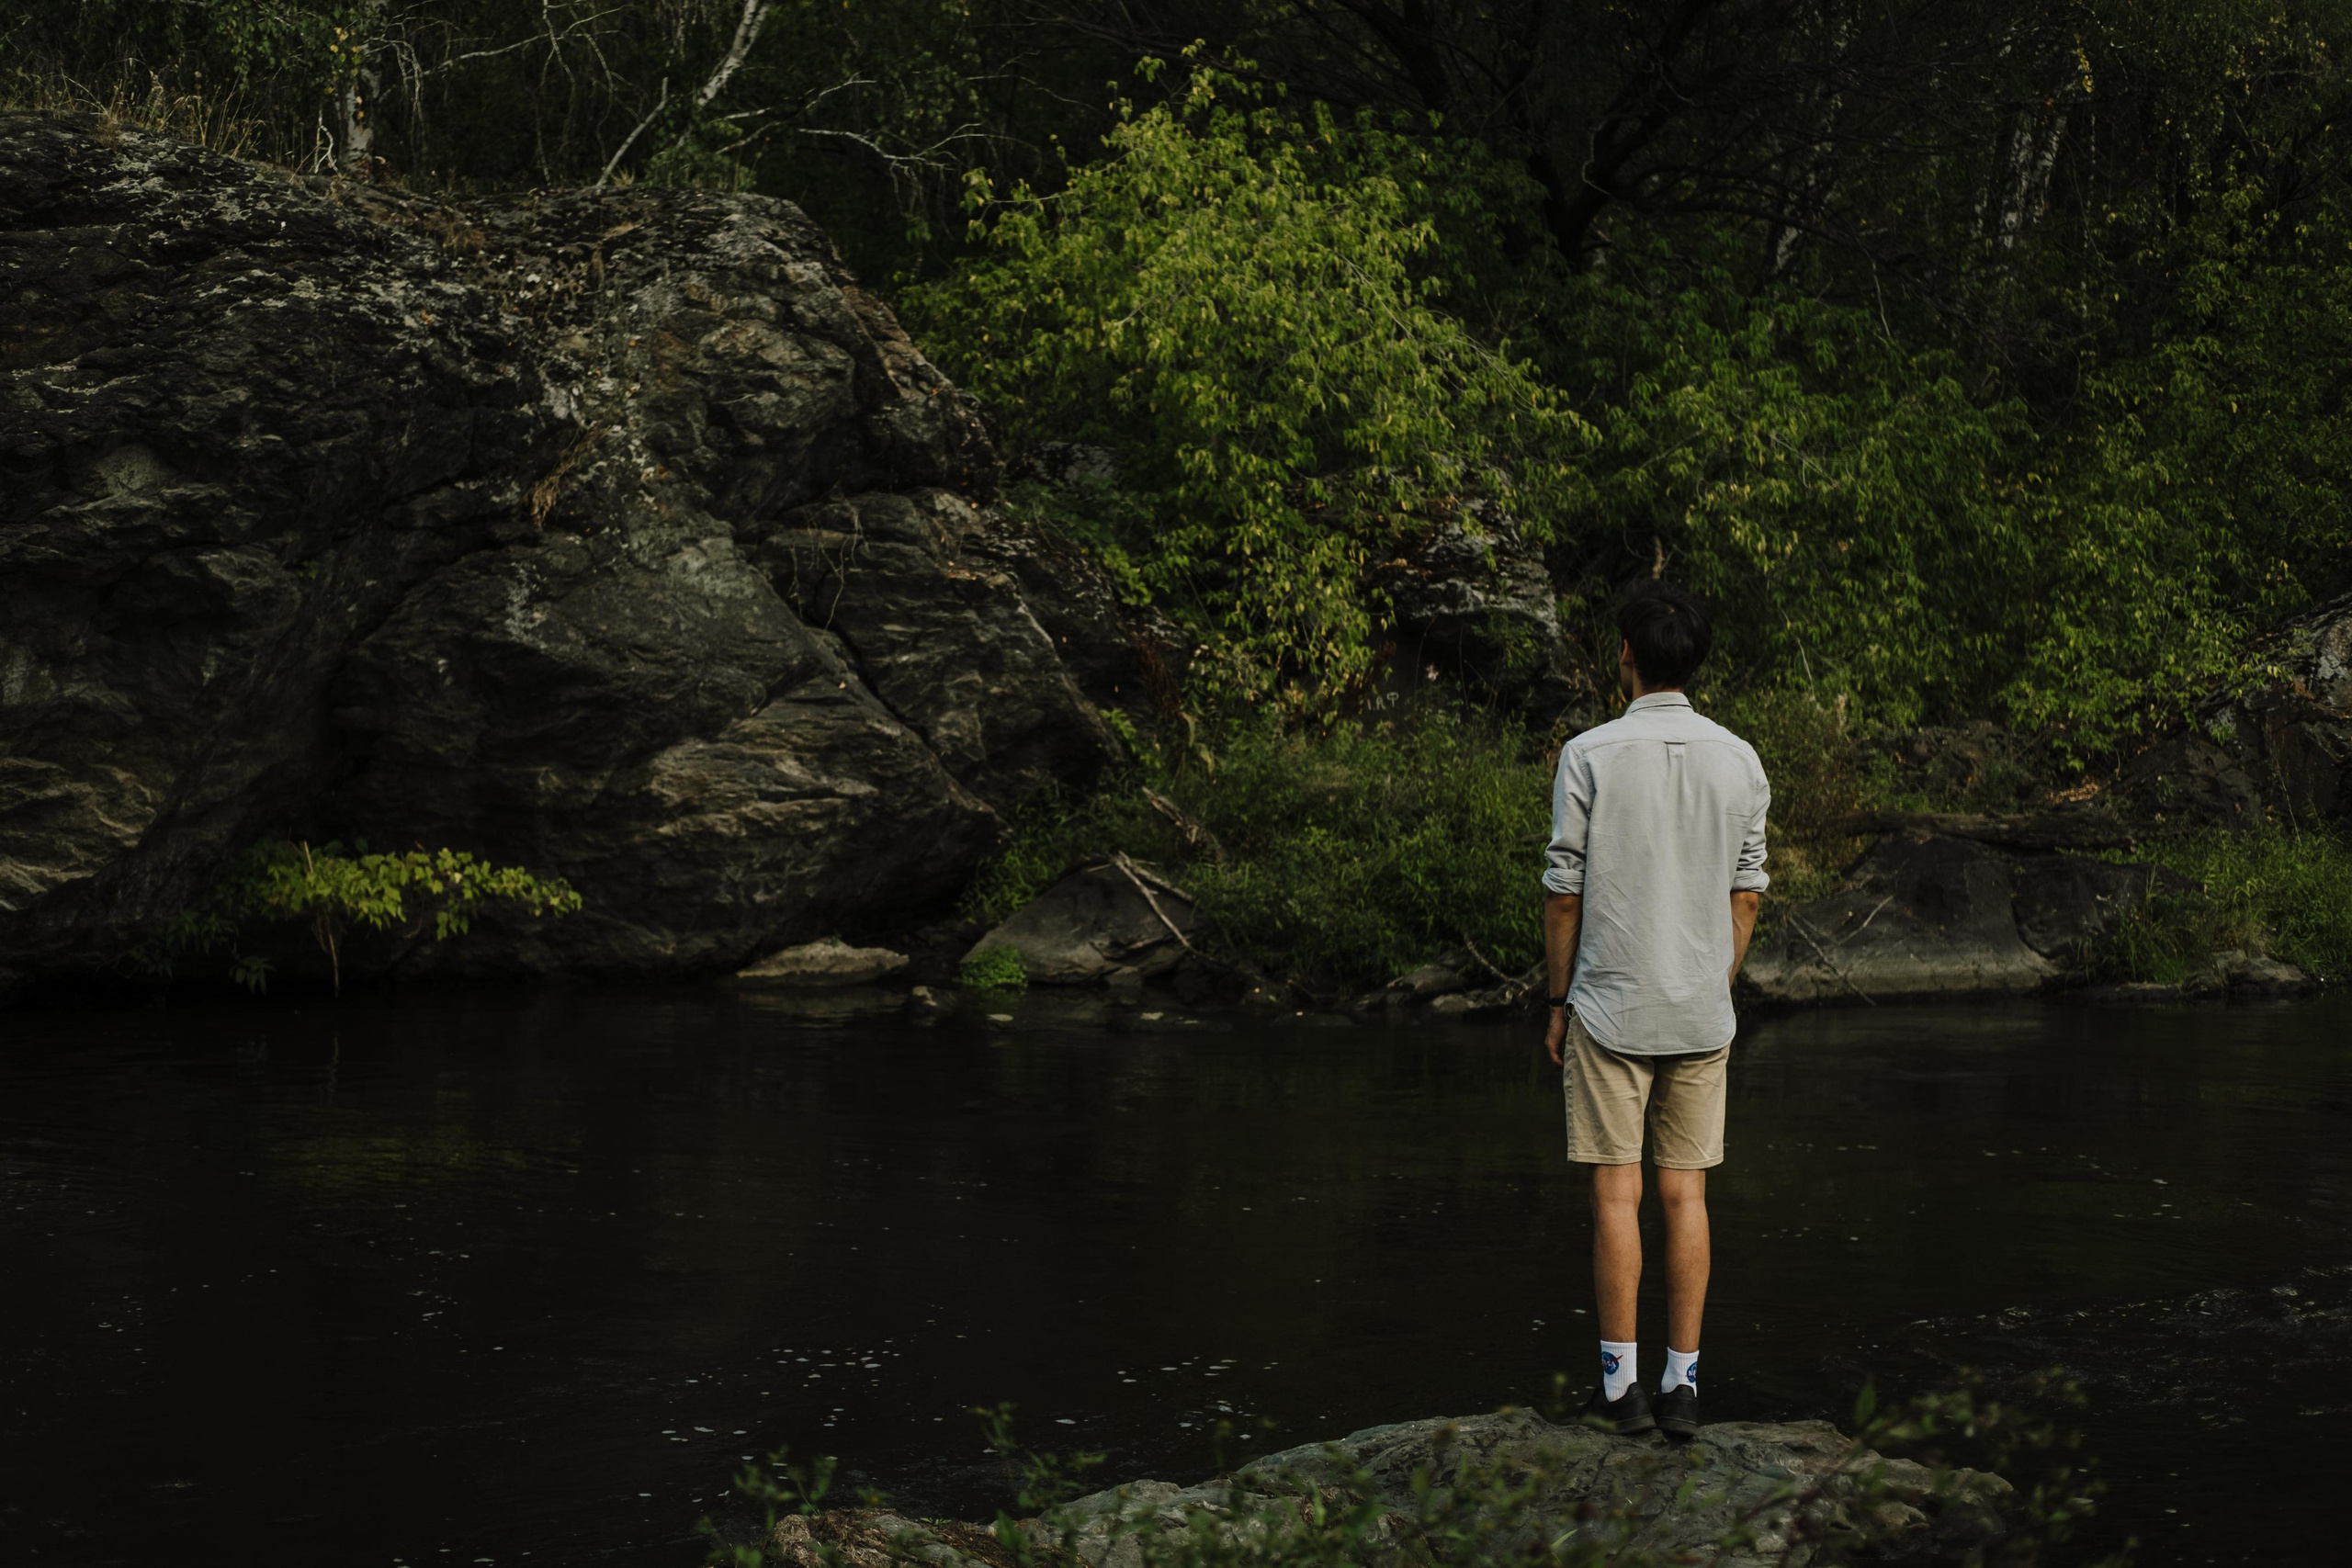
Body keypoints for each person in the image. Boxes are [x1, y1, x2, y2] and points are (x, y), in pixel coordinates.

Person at [1540, 581, 1770, 1438]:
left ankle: (1619, 1391)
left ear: (1625, 657)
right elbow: (1748, 892)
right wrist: (1716, 975)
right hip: (1700, 1011)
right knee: (1686, 1197)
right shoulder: (1741, 759)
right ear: (1696, 660)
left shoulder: (1589, 752)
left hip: (1608, 1004)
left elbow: (1565, 893)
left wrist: (1558, 1001)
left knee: (1615, 1195)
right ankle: (1684, 1389)